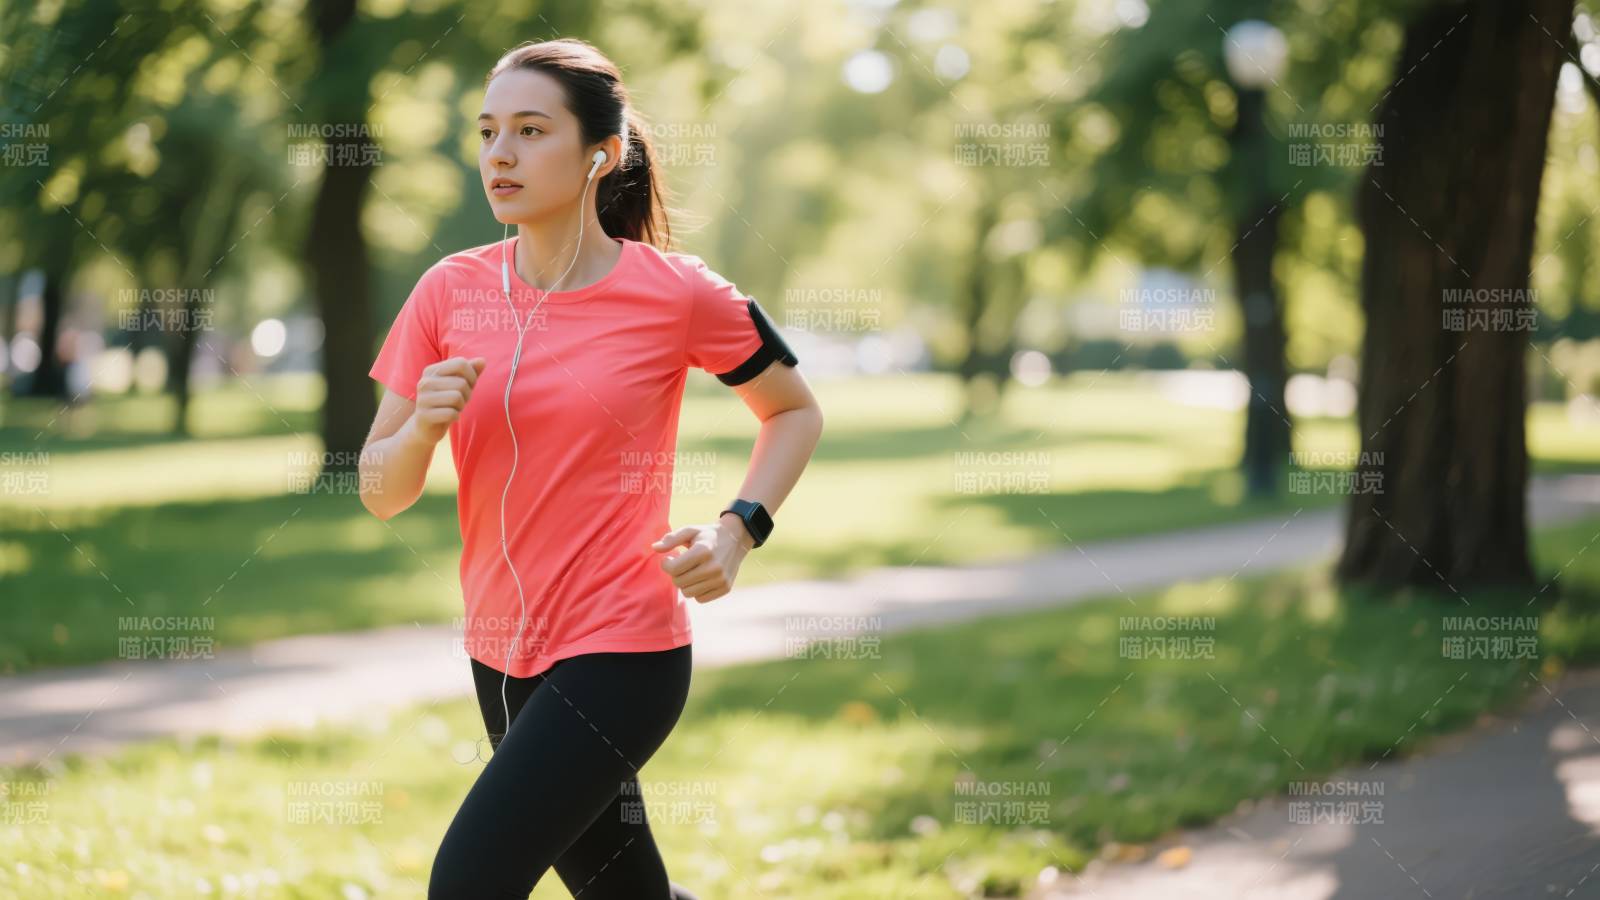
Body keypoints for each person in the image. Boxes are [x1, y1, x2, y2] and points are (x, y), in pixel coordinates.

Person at [357, 37, 824, 900]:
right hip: (499, 653)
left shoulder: (677, 292)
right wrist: (423, 427)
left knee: (468, 881)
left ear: (600, 154)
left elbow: (794, 410)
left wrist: (737, 531)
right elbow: (380, 490)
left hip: (624, 648)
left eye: (531, 130)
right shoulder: (446, 292)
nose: (500, 152)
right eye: (489, 130)